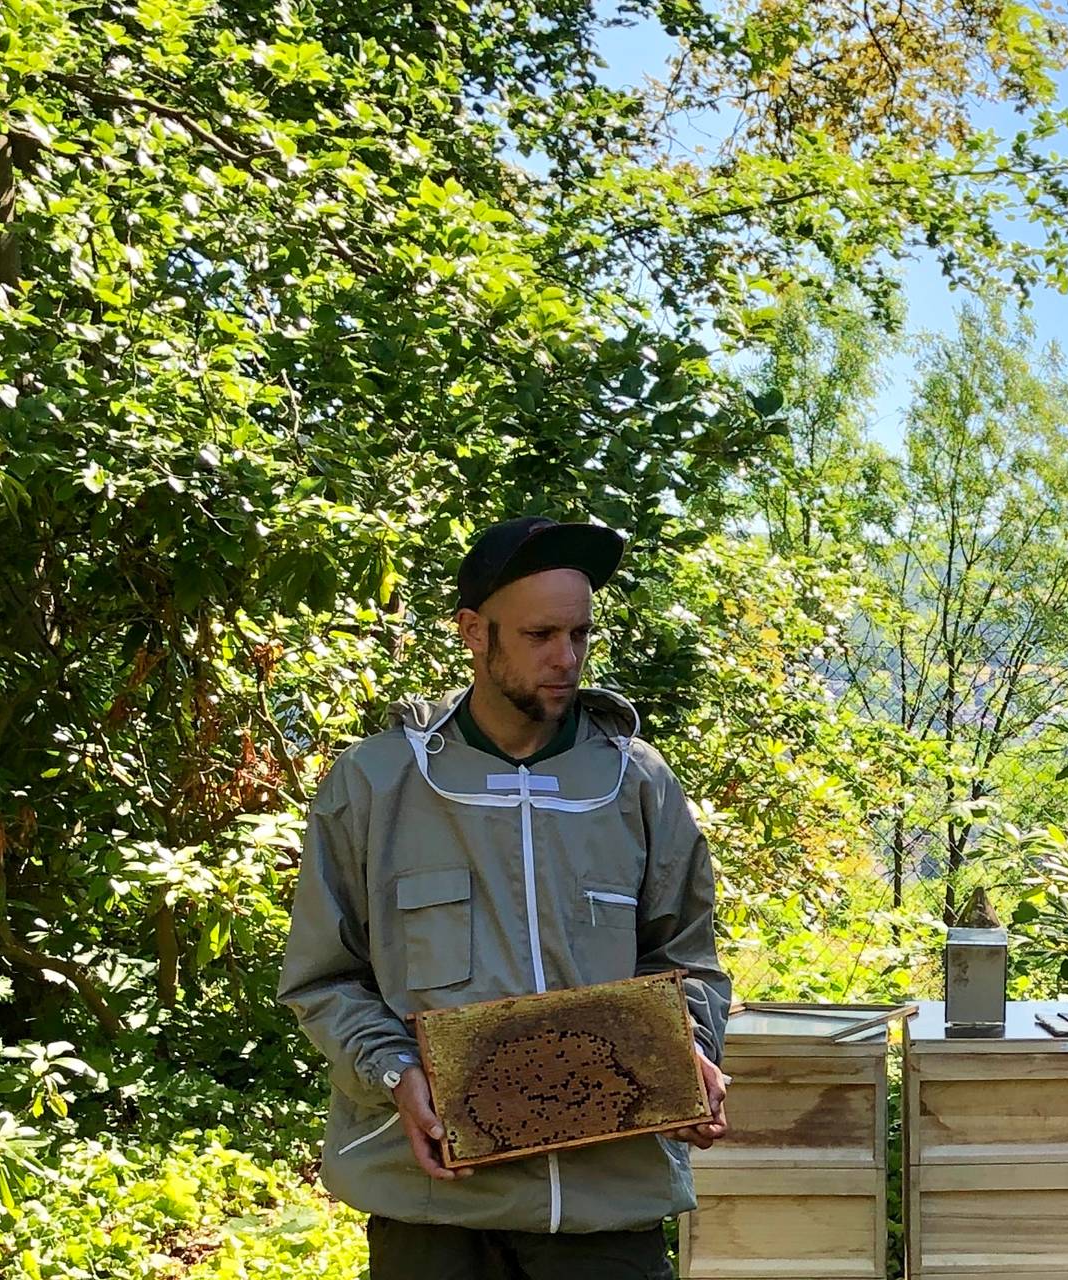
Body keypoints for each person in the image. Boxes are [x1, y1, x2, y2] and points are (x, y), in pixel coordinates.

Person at [279, 516, 733, 1280]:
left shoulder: (638, 782)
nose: (567, 659)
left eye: (580, 635)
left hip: (606, 1206)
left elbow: (685, 958)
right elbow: (324, 978)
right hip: (433, 1206)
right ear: (473, 632)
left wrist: (685, 1049)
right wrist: (396, 1073)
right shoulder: (377, 783)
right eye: (540, 635)